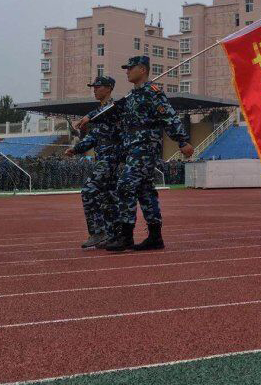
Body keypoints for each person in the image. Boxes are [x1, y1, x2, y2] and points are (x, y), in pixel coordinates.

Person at [77, 56, 193, 252]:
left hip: (145, 147)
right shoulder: (132, 95)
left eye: (130, 68)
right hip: (133, 148)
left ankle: (126, 236)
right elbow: (112, 112)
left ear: (142, 69)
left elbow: (169, 117)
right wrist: (90, 116)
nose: (127, 71)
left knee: (125, 185)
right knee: (145, 191)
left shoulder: (153, 93)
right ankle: (155, 237)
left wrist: (182, 140)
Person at [65, 75, 123, 249]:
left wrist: (90, 116)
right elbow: (93, 137)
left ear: (109, 88)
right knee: (108, 197)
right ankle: (113, 234)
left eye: (98, 87)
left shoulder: (113, 109)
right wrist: (76, 149)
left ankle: (98, 233)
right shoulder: (99, 113)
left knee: (89, 190)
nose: (95, 90)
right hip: (103, 158)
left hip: (111, 158)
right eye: (94, 87)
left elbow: (110, 111)